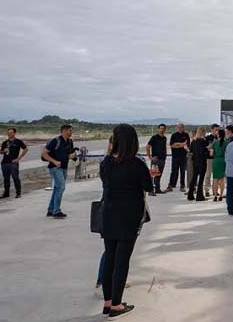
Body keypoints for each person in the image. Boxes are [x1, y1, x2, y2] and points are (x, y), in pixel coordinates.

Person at [99, 123, 153, 318]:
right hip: (129, 215)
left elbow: (105, 182)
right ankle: (117, 304)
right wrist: (151, 176)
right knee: (122, 260)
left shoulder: (106, 161)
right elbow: (148, 186)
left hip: (109, 212)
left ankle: (107, 302)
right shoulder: (137, 163)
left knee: (109, 257)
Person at [42, 124, 77, 218]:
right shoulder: (55, 141)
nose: (71, 133)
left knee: (57, 188)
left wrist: (72, 156)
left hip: (64, 167)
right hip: (55, 167)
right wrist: (54, 161)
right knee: (61, 187)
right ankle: (56, 211)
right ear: (64, 131)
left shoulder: (70, 142)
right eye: (70, 131)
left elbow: (68, 154)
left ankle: (51, 209)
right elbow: (44, 154)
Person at [0, 127, 27, 199]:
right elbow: (1, 152)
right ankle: (6, 193)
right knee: (6, 178)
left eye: (11, 133)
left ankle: (18, 193)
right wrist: (3, 151)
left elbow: (25, 149)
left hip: (13, 163)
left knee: (15, 178)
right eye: (8, 133)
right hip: (4, 163)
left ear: (14, 133)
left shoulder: (18, 141)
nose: (9, 134)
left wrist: (18, 158)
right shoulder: (5, 142)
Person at [146, 124, 168, 196]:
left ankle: (157, 189)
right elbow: (148, 146)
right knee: (153, 175)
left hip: (162, 159)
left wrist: (165, 155)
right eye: (161, 128)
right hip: (156, 159)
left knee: (159, 175)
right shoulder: (154, 137)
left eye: (163, 129)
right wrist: (150, 157)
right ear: (158, 129)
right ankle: (151, 190)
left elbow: (164, 147)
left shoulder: (164, 138)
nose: (162, 130)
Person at [188, 127, 209, 201]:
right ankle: (199, 196)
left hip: (195, 162)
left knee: (194, 178)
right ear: (203, 132)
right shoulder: (203, 141)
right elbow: (205, 152)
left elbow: (191, 151)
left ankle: (190, 195)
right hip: (202, 162)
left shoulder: (193, 141)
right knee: (201, 179)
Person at [168, 123, 190, 192]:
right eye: (179, 127)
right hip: (175, 156)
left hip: (183, 156)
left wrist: (178, 144)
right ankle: (171, 184)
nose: (180, 128)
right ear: (177, 128)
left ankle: (182, 185)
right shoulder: (174, 135)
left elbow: (187, 145)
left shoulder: (186, 135)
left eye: (181, 127)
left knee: (182, 171)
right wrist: (182, 144)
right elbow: (172, 145)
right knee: (174, 171)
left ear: (183, 128)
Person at [211, 129, 228, 202]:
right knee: (222, 179)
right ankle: (221, 195)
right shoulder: (226, 143)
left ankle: (215, 196)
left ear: (218, 135)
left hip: (216, 161)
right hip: (223, 161)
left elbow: (211, 154)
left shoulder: (214, 142)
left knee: (215, 179)